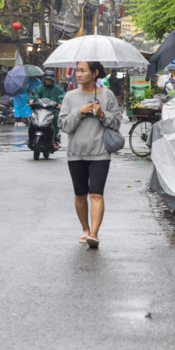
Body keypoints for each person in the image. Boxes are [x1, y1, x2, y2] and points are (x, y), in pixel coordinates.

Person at [58, 61, 122, 249]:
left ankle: (94, 233)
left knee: (96, 194)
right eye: (77, 70)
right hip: (76, 153)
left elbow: (117, 123)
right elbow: (63, 125)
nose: (78, 74)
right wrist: (80, 111)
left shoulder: (107, 95)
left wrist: (102, 114)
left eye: (83, 70)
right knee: (80, 195)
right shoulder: (70, 97)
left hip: (100, 153)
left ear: (94, 73)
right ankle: (85, 229)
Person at [29, 69, 65, 144]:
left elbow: (62, 96)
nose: (48, 81)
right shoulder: (39, 88)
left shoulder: (58, 89)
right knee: (32, 120)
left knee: (55, 117)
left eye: (49, 79)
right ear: (44, 79)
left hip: (52, 109)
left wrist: (60, 103)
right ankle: (31, 138)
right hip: (40, 109)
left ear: (52, 79)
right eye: (46, 79)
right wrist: (31, 100)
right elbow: (34, 95)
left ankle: (54, 138)